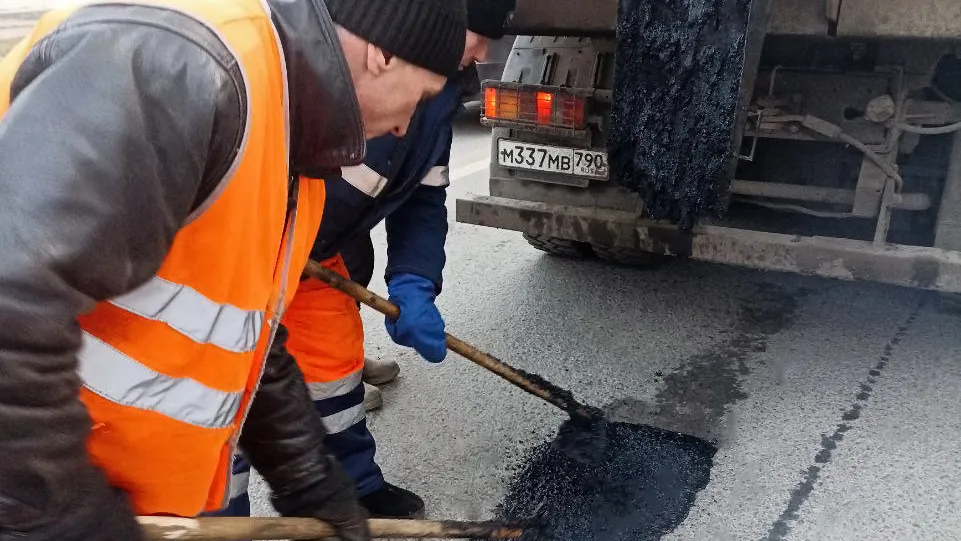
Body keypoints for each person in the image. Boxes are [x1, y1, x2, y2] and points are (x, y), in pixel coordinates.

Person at [0, 0, 467, 540]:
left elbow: (240, 333)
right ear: (384, 54)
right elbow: (12, 309)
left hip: (125, 494)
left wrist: (310, 481)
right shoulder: (184, 67)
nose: (410, 122)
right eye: (422, 95)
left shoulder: (292, 145)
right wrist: (68, 519)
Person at [218, 0, 517, 522]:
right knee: (227, 393)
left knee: (333, 365)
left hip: (313, 248)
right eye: (479, 33)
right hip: (249, 251)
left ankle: (351, 484)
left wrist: (413, 281)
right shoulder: (298, 79)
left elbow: (425, 194)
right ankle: (218, 515)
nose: (484, 51)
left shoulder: (434, 94)